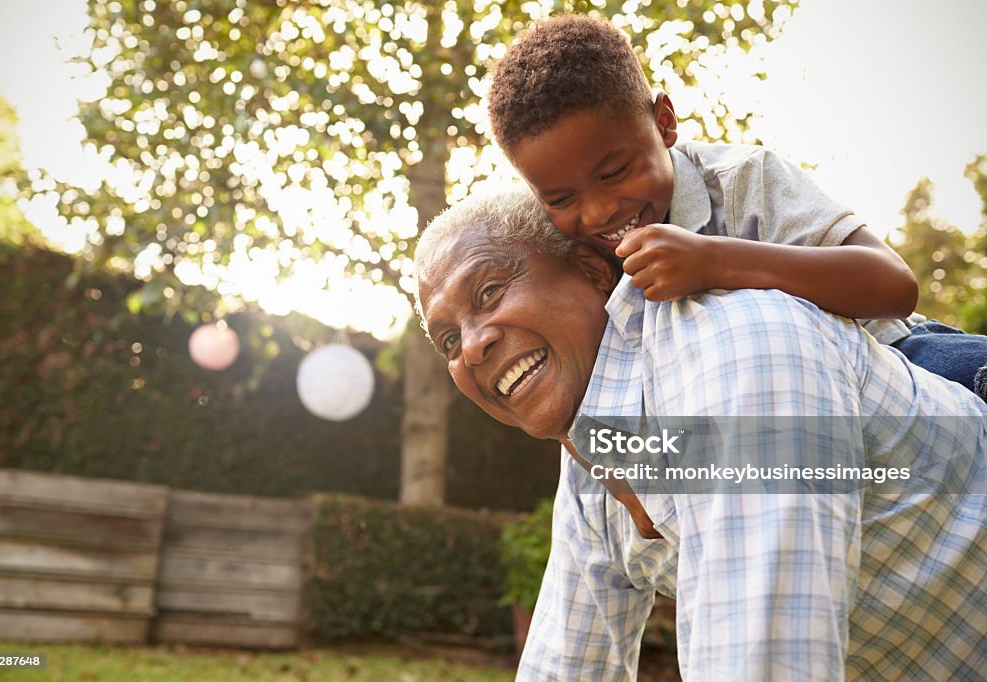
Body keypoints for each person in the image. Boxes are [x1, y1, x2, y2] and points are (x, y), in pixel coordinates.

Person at [414, 185, 987, 680]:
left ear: (592, 271)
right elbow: (564, 665)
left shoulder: (741, 350)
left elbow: (763, 664)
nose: (472, 345)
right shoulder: (594, 465)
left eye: (488, 292)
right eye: (447, 341)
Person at [486, 13, 987, 401]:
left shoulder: (742, 179)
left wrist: (714, 261)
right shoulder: (575, 257)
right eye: (560, 198)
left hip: (900, 358)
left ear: (664, 122)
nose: (596, 214)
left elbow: (894, 286)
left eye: (614, 172)